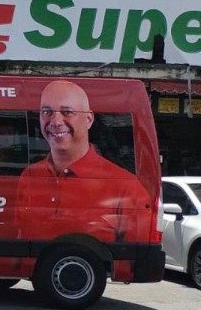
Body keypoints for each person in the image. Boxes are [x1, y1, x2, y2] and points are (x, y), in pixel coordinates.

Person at [16, 80, 153, 243]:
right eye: (47, 112)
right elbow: (19, 244)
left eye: (67, 112)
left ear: (88, 119)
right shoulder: (29, 177)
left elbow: (138, 258)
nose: (55, 121)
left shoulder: (126, 186)